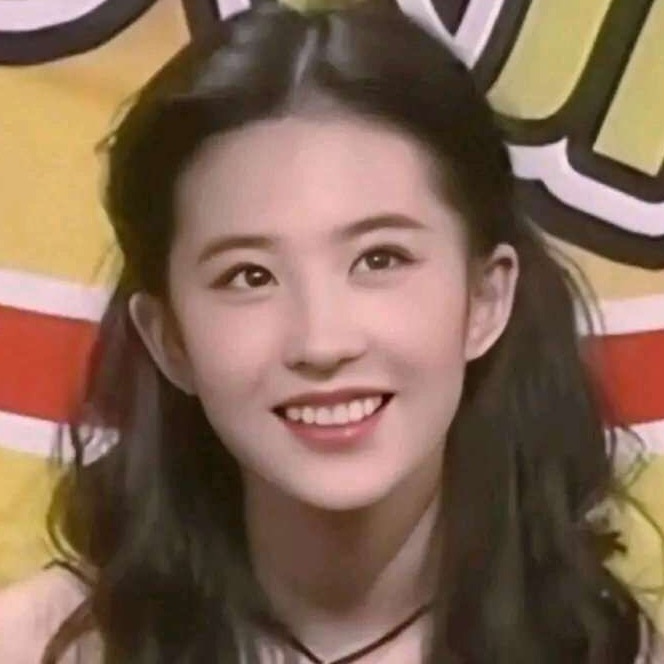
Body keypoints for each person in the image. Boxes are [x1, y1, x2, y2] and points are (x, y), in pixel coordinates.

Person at [0, 0, 658, 661]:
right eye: (249, 276)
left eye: (380, 260)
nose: (322, 343)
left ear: (485, 298)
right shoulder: (41, 646)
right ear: (169, 337)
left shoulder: (603, 648)